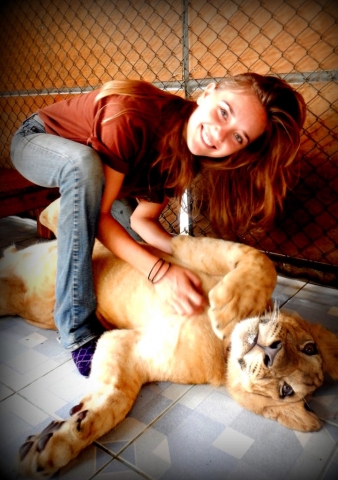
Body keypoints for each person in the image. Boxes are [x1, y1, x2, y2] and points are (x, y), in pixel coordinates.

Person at [10, 73, 306, 376]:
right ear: (208, 93)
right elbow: (101, 217)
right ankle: (75, 328)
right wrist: (160, 273)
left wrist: (190, 258)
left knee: (130, 256)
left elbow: (143, 220)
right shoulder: (132, 114)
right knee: (84, 169)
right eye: (224, 112)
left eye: (238, 137)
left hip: (104, 184)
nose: (219, 136)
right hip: (38, 140)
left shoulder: (186, 156)